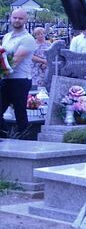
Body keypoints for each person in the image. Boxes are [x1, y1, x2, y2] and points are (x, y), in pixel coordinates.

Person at [1, 9, 36, 139]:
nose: (17, 20)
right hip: (6, 78)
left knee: (20, 112)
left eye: (20, 18)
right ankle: (5, 136)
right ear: (10, 18)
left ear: (26, 20)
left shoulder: (28, 39)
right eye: (15, 17)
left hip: (20, 80)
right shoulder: (7, 36)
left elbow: (15, 61)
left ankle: (26, 140)